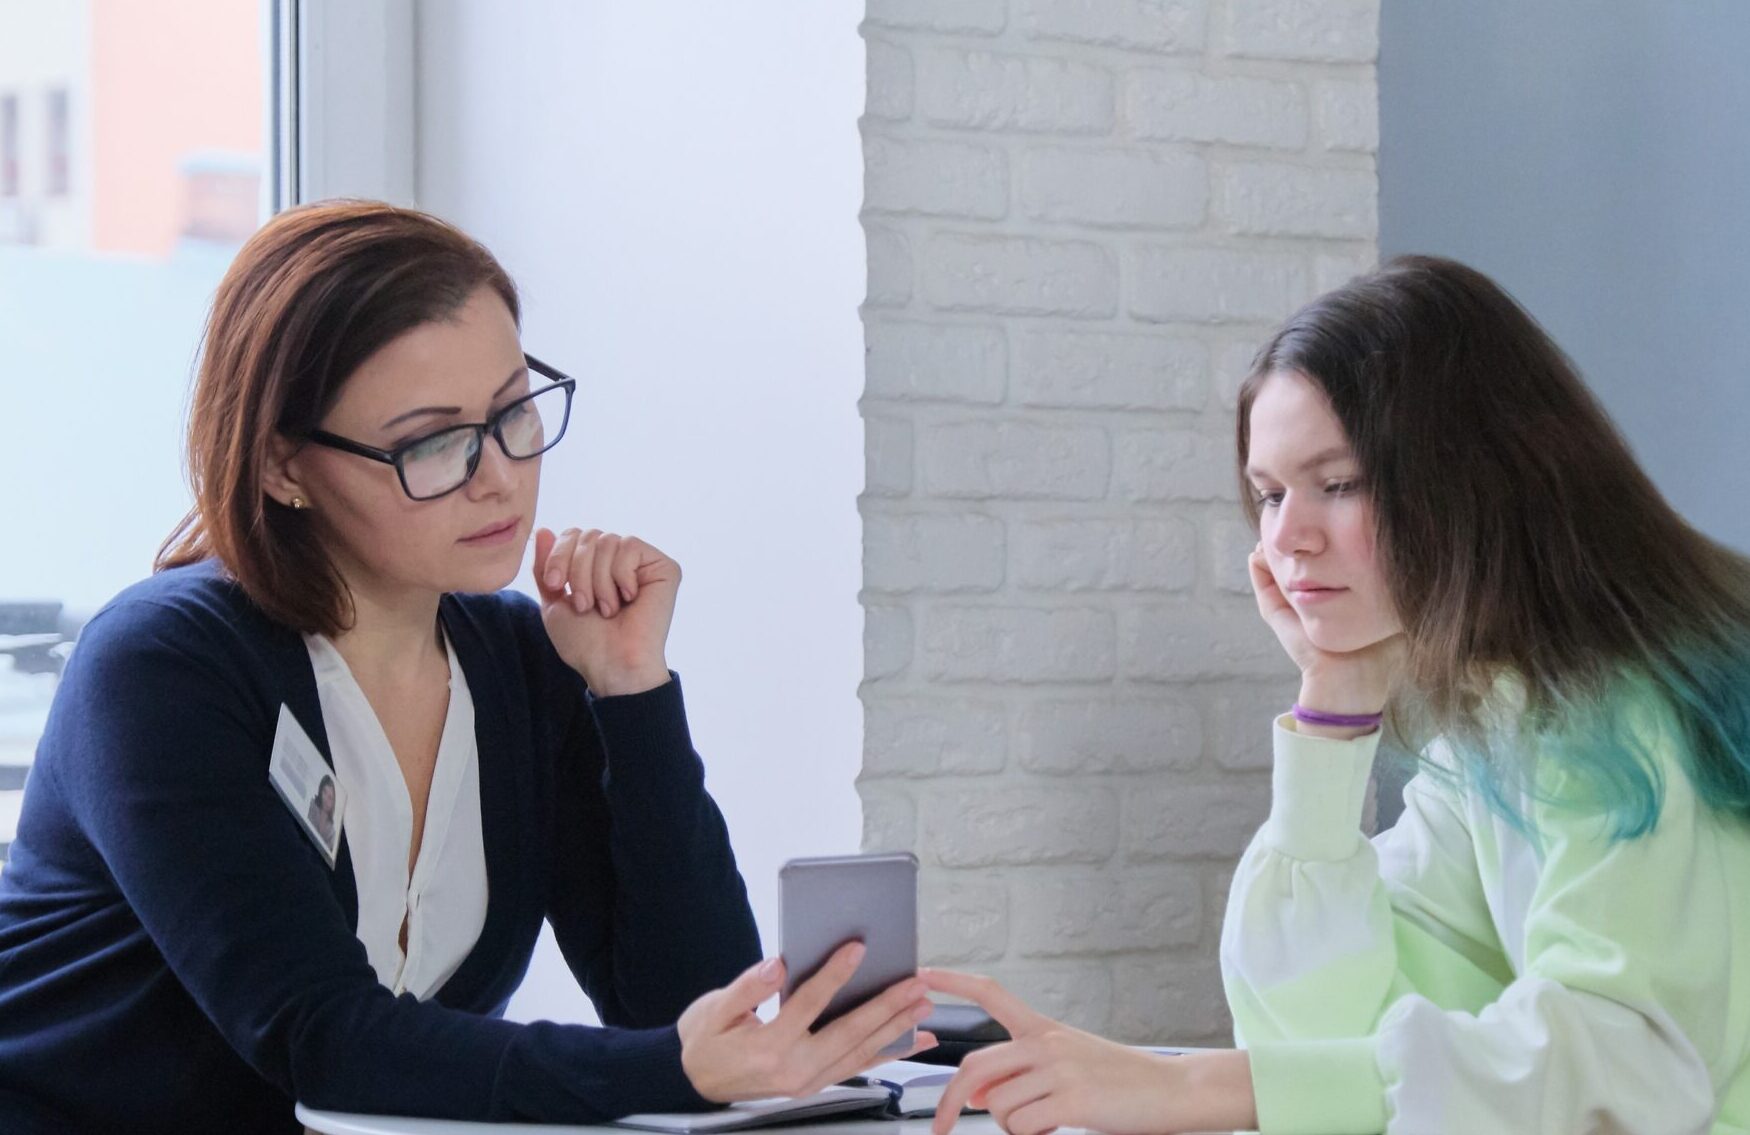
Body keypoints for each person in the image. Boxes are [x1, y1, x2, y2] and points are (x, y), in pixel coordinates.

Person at [0, 201, 935, 1134]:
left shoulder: (520, 663)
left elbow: (688, 1009)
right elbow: (318, 1037)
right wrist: (677, 1068)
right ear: (284, 464)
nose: (499, 477)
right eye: (431, 442)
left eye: (513, 412)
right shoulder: (163, 668)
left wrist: (631, 693)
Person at [922, 255, 1750, 1134]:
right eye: (1269, 494)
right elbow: (1323, 1026)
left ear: (1475, 474)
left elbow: (1619, 1067)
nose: (1286, 537)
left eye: (1338, 484)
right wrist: (1334, 694)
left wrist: (1191, 1089)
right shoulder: (1498, 729)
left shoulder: (1627, 714)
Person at [308, 774, 339, 852]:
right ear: (320, 790)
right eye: (324, 792)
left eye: (330, 797)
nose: (325, 799)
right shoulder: (312, 806)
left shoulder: (332, 832)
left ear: (333, 803)